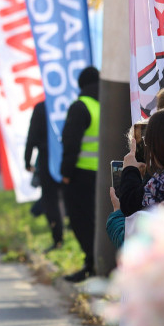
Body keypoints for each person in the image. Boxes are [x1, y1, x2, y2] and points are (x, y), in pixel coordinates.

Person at [60, 66, 100, 282]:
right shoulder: (105, 106)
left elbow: (71, 142)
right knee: (96, 220)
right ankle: (96, 262)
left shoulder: (80, 106)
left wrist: (65, 172)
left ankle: (91, 263)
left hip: (80, 174)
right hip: (100, 175)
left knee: (80, 220)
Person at [24, 100, 64, 251]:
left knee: (51, 201)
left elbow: (32, 135)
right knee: (69, 199)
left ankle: (58, 240)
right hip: (70, 159)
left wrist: (27, 160)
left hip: (47, 160)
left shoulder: (42, 107)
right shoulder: (68, 102)